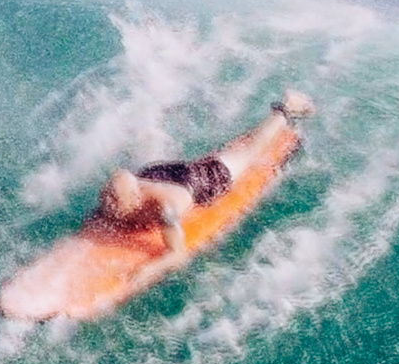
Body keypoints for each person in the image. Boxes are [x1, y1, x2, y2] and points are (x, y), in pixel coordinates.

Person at [91, 90, 316, 266]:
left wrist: (147, 270)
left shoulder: (165, 209)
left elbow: (176, 254)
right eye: (107, 198)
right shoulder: (115, 197)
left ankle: (287, 108)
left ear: (136, 199)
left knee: (247, 154)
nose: (108, 206)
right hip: (157, 174)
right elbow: (110, 204)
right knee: (228, 154)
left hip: (198, 181)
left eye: (115, 201)